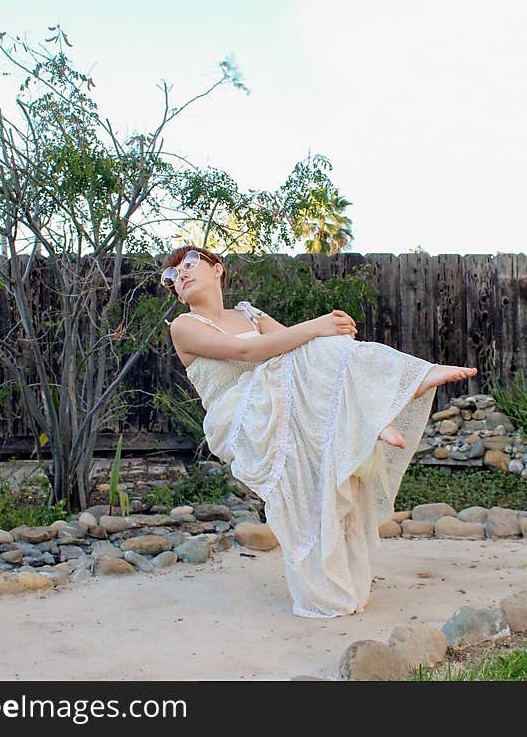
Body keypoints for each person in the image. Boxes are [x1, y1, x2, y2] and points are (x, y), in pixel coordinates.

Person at [163, 245, 477, 618]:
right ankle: (388, 402)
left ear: (217, 269)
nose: (180, 275)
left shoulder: (250, 314)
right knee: (317, 338)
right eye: (171, 278)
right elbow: (250, 354)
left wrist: (321, 332)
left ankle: (379, 411)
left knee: (319, 483)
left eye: (189, 263)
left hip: (276, 407)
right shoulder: (185, 326)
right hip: (240, 419)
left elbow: (299, 348)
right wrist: (318, 325)